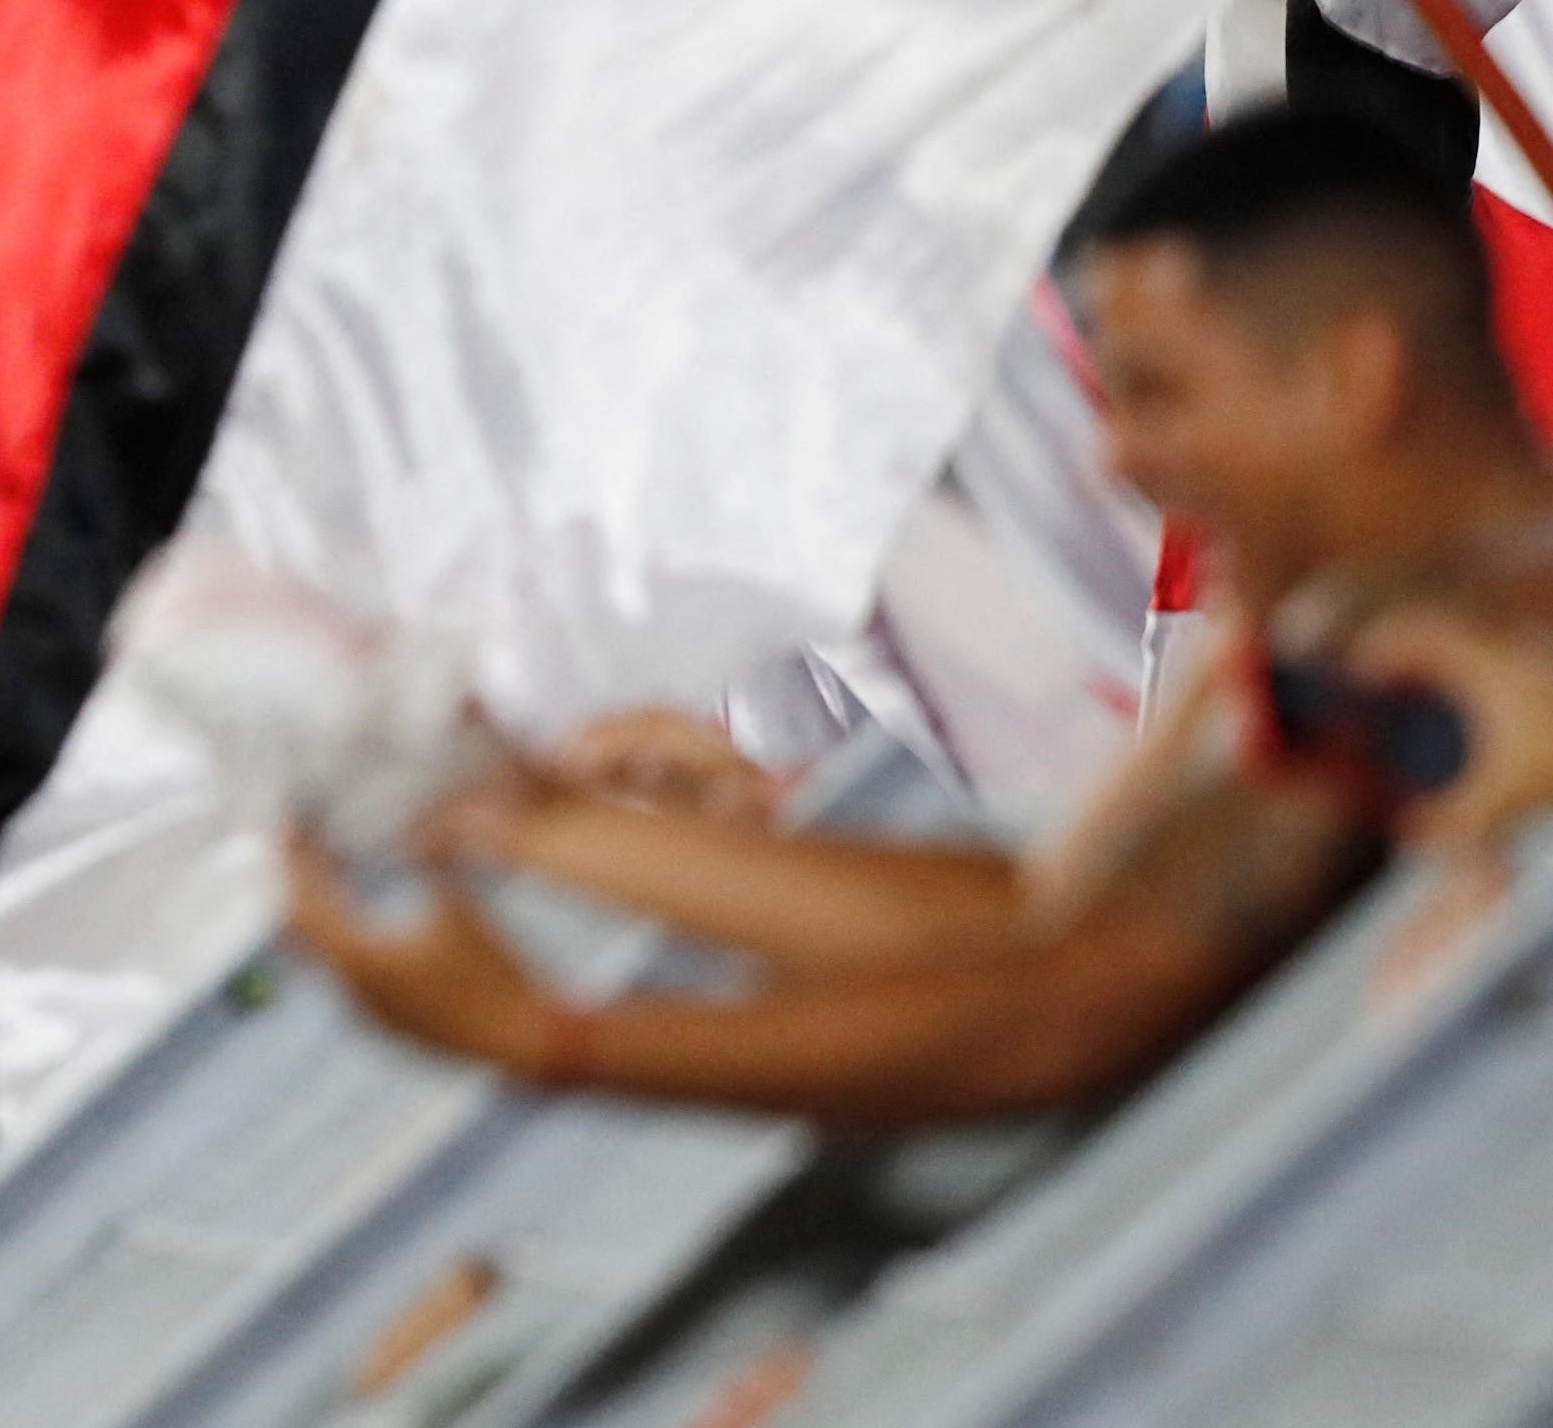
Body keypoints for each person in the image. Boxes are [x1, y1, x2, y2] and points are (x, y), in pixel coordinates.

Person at [288, 108, 1550, 1123]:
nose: (1114, 462)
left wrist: (559, 1038)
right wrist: (532, 822)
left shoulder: (1462, 651)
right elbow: (1037, 907)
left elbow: (1071, 1002)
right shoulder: (1320, 632)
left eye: (1160, 396)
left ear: (1354, 376)